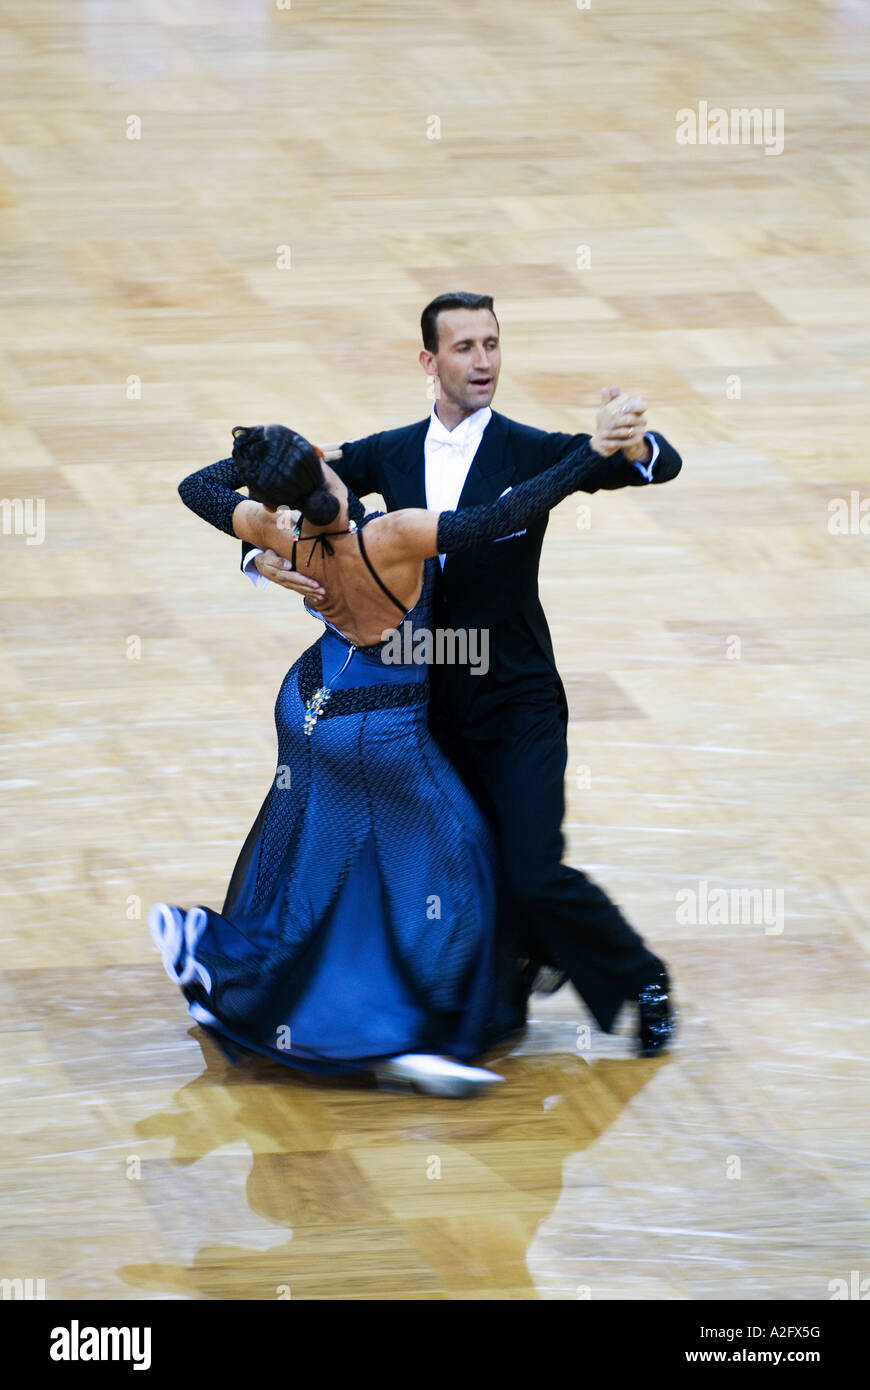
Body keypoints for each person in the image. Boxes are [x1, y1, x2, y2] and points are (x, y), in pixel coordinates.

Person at [151, 398, 640, 1097]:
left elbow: (197, 487)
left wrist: (266, 465)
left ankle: (230, 962)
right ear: (322, 466)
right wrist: (589, 456)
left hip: (308, 703)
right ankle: (414, 1034)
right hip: (379, 728)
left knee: (323, 867)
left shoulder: (274, 530)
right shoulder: (397, 536)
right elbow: (505, 514)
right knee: (461, 870)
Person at [241, 293, 684, 1054]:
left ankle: (639, 977)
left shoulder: (533, 447)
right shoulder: (387, 450)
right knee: (463, 865)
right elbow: (281, 488)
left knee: (532, 870)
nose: (483, 361)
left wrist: (632, 440)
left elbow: (656, 467)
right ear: (429, 361)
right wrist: (256, 558)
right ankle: (508, 976)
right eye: (464, 347)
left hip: (516, 696)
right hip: (423, 703)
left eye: (492, 344)